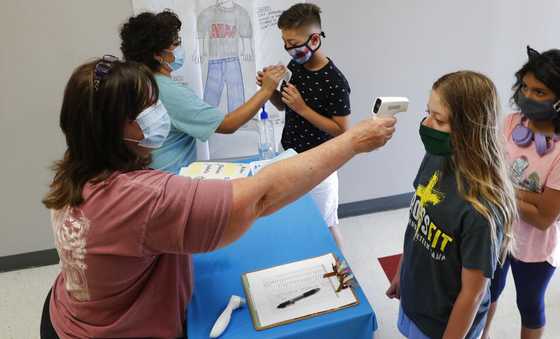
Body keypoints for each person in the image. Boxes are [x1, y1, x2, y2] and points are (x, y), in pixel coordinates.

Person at [39, 57, 396, 338]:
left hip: (67, 314)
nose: (159, 114)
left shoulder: (76, 167)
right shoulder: (140, 198)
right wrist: (353, 142)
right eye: (147, 109)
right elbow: (260, 197)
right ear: (114, 128)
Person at [386, 71, 518, 339]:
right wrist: (402, 271)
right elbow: (417, 224)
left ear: (470, 129)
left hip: (444, 325)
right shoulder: (437, 157)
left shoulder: (480, 210)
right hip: (417, 300)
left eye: (439, 119)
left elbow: (472, 294)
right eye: (428, 113)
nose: (427, 123)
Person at [481, 46, 560, 339]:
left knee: (528, 303)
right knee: (488, 291)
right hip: (499, 229)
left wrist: (502, 189)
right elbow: (489, 175)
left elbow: (542, 220)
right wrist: (535, 199)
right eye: (525, 87)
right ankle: (483, 334)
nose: (527, 96)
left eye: (540, 92)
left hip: (535, 248)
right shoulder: (511, 124)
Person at [120, 10, 286, 173]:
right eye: (175, 44)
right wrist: (266, 90)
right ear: (158, 54)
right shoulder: (166, 91)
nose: (180, 48)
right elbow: (228, 124)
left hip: (146, 177)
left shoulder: (135, 82)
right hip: (167, 181)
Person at [257, 3, 351, 244]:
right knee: (294, 219)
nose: (289, 48)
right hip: (290, 154)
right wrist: (269, 90)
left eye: (293, 42)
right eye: (285, 41)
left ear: (315, 39)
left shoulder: (335, 81)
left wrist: (303, 109)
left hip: (322, 163)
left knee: (327, 225)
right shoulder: (295, 66)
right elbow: (284, 105)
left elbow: (342, 132)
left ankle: (341, 276)